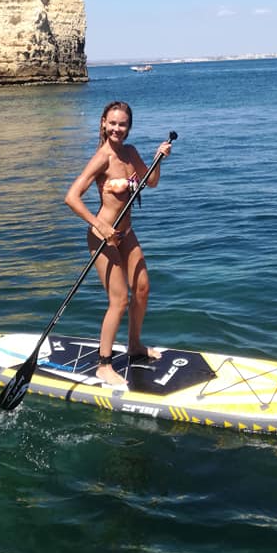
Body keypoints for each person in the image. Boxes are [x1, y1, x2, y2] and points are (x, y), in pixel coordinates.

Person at [64, 101, 172, 388]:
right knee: (120, 300)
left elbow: (152, 183)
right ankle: (104, 365)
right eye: (112, 123)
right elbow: (72, 197)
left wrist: (158, 159)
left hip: (126, 234)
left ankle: (134, 345)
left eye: (122, 124)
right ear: (103, 123)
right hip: (102, 237)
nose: (117, 129)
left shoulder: (130, 153)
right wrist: (100, 225)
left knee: (143, 288)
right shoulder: (102, 158)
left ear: (129, 127)